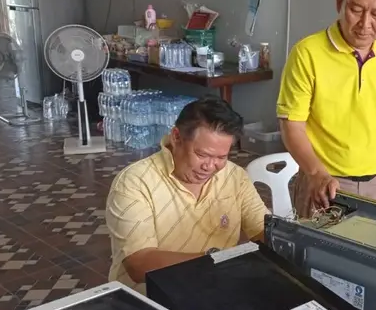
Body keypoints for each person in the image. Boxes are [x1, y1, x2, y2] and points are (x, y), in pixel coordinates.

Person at [276, 0, 376, 216]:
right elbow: (292, 125)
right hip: (325, 184)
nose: (365, 24)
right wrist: (316, 173)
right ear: (340, 1)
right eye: (356, 10)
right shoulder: (307, 53)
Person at [106, 96, 268, 294]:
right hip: (151, 298)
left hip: (215, 289)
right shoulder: (136, 182)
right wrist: (214, 259)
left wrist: (289, 240)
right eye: (202, 155)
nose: (210, 166)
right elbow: (139, 263)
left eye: (221, 157)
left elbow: (262, 230)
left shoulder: (235, 177)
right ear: (176, 137)